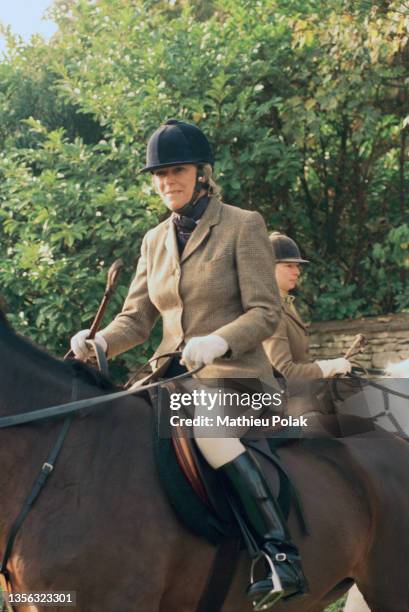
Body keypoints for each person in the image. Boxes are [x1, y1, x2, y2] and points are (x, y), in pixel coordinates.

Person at [70, 120, 308, 609]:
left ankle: (279, 553)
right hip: (169, 378)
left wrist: (220, 341)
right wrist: (97, 345)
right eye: (158, 174)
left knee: (207, 429)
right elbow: (135, 319)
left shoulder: (243, 225)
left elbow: (265, 311)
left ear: (202, 172)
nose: (166, 182)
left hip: (238, 380)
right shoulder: (153, 241)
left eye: (175, 170)